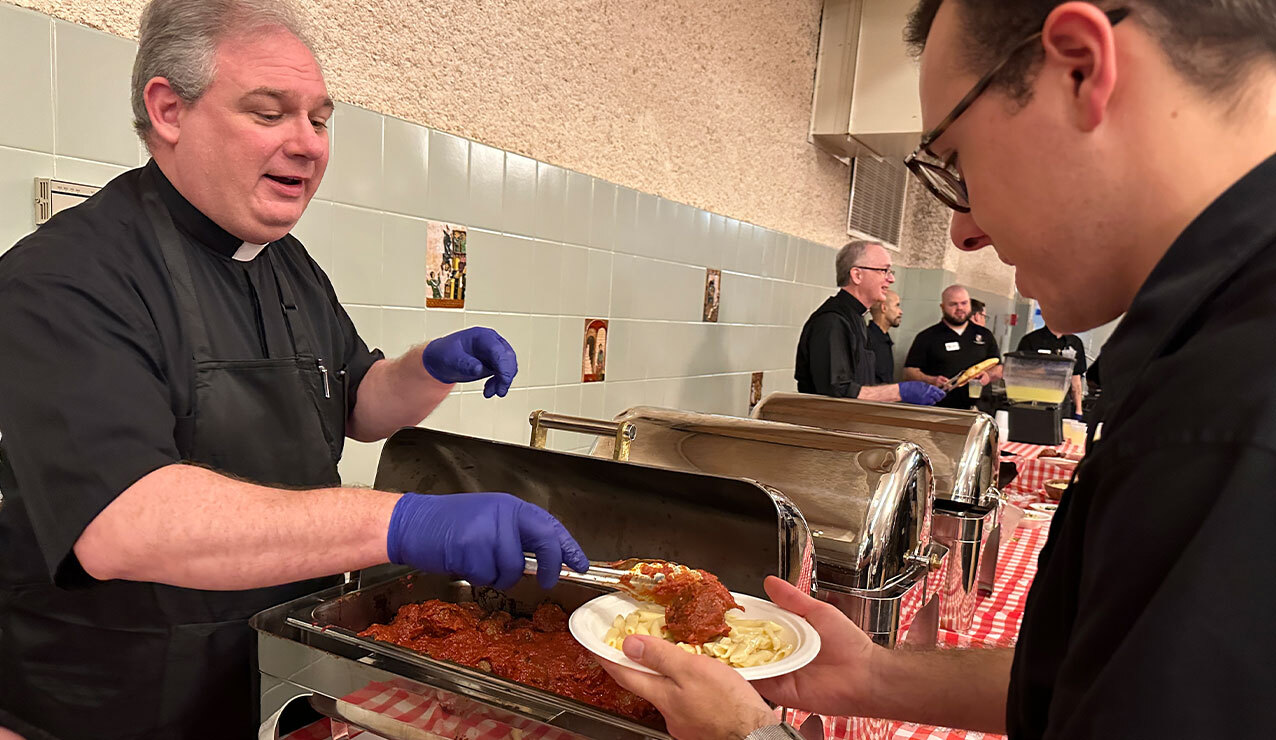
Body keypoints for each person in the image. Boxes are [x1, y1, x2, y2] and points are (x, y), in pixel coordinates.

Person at [600, 0, 1276, 737]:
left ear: (1082, 69)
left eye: (953, 162)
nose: (963, 228)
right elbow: (1100, 672)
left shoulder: (1228, 411)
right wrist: (874, 675)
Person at [0, 2, 588, 738]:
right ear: (168, 109)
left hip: (274, 681)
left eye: (319, 118)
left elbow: (358, 406)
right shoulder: (65, 279)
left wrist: (427, 369)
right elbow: (124, 523)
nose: (307, 144)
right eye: (270, 113)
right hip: (114, 705)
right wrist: (408, 520)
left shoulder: (289, 265)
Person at [795, 241, 945, 406]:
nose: (891, 278)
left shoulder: (857, 318)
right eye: (884, 270)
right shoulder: (832, 321)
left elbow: (861, 383)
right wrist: (899, 392)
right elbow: (837, 392)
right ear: (857, 275)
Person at [902, 284, 1002, 409]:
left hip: (979, 409)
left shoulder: (985, 335)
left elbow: (999, 367)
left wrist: (988, 376)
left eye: (964, 303)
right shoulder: (927, 337)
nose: (960, 308)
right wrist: (931, 380)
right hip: (939, 408)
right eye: (953, 304)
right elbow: (909, 372)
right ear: (942, 307)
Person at [1017, 323, 1087, 418]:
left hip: (1062, 402)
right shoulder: (1031, 340)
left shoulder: (1074, 343)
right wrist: (1045, 371)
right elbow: (1018, 372)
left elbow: (1076, 381)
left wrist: (1079, 410)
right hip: (1033, 399)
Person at [866, 288, 902, 383]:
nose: (900, 312)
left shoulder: (885, 339)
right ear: (884, 308)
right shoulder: (868, 340)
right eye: (897, 305)